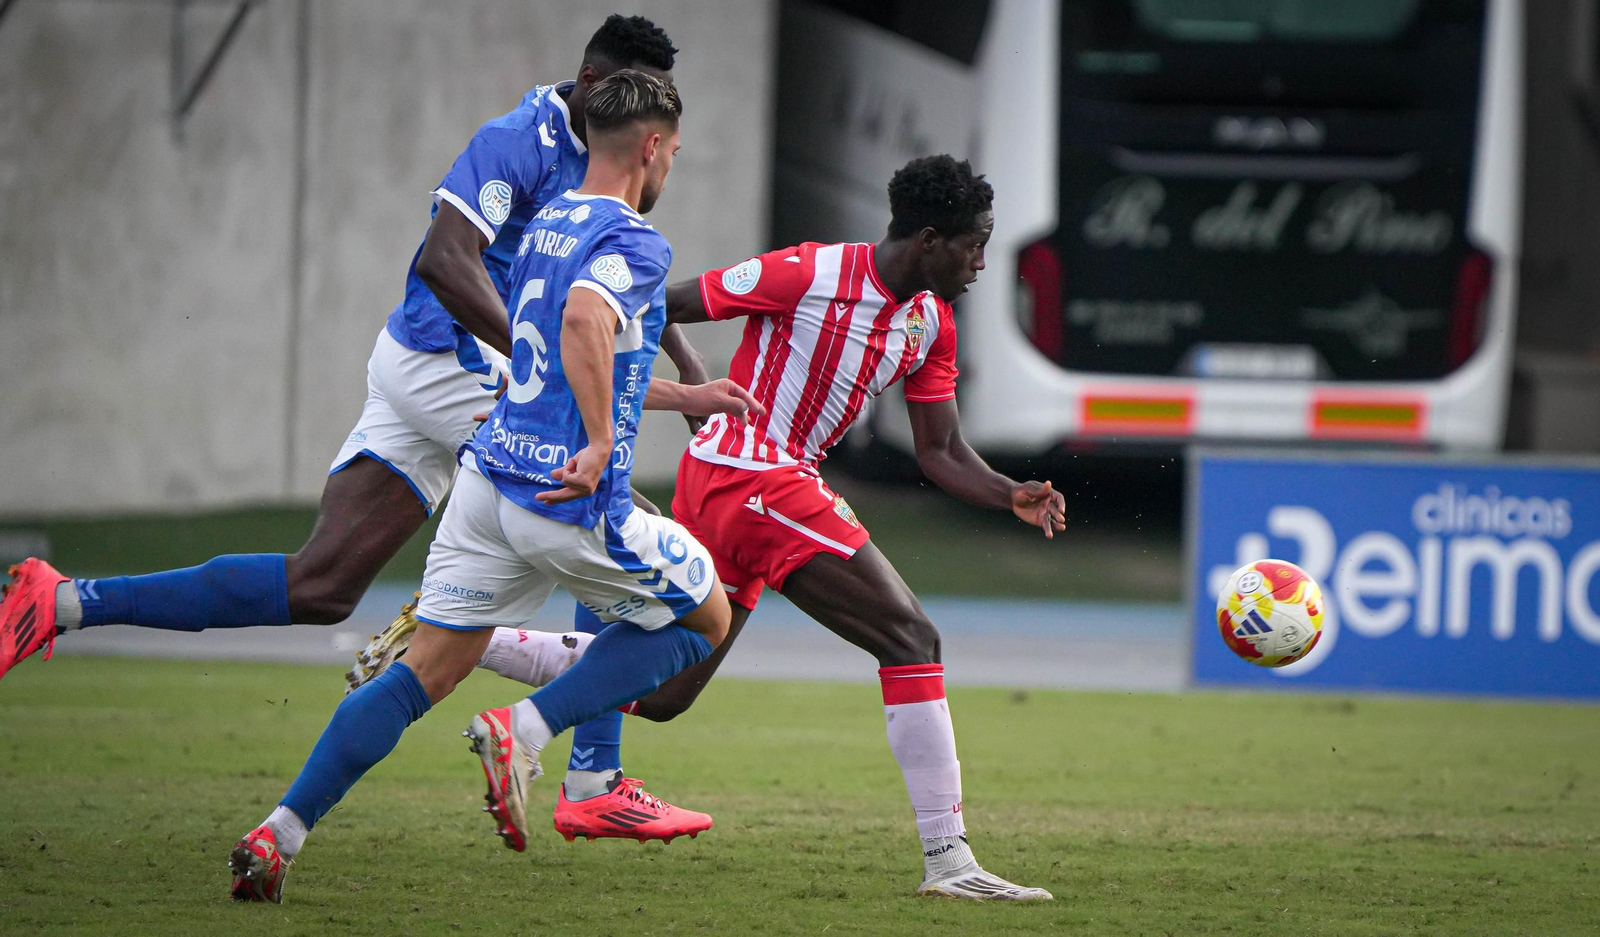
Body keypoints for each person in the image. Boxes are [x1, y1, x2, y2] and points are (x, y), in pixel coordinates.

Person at [0, 14, 728, 838]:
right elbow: (445, 260)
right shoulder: (518, 140)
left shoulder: (603, 159)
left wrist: (684, 368)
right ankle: (591, 774)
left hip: (423, 358)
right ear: (597, 87)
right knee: (606, 512)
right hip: (447, 359)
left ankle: (64, 602)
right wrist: (540, 359)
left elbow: (615, 286)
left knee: (321, 585)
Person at [367, 155, 1065, 900]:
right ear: (929, 240)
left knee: (664, 691)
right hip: (754, 473)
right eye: (974, 244)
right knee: (912, 638)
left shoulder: (931, 324)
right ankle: (950, 861)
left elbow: (941, 450)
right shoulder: (809, 271)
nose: (982, 262)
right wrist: (693, 381)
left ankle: (455, 639)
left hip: (745, 484)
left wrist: (1009, 492)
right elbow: (655, 301)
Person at [227, 70, 743, 904]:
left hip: (488, 483)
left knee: (421, 672)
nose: (671, 169)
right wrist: (602, 441)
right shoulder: (636, 240)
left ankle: (277, 833)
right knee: (705, 617)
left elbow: (564, 352)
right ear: (651, 146)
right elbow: (585, 322)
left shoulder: (545, 224)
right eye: (675, 154)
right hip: (565, 497)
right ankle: (526, 731)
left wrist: (684, 396)